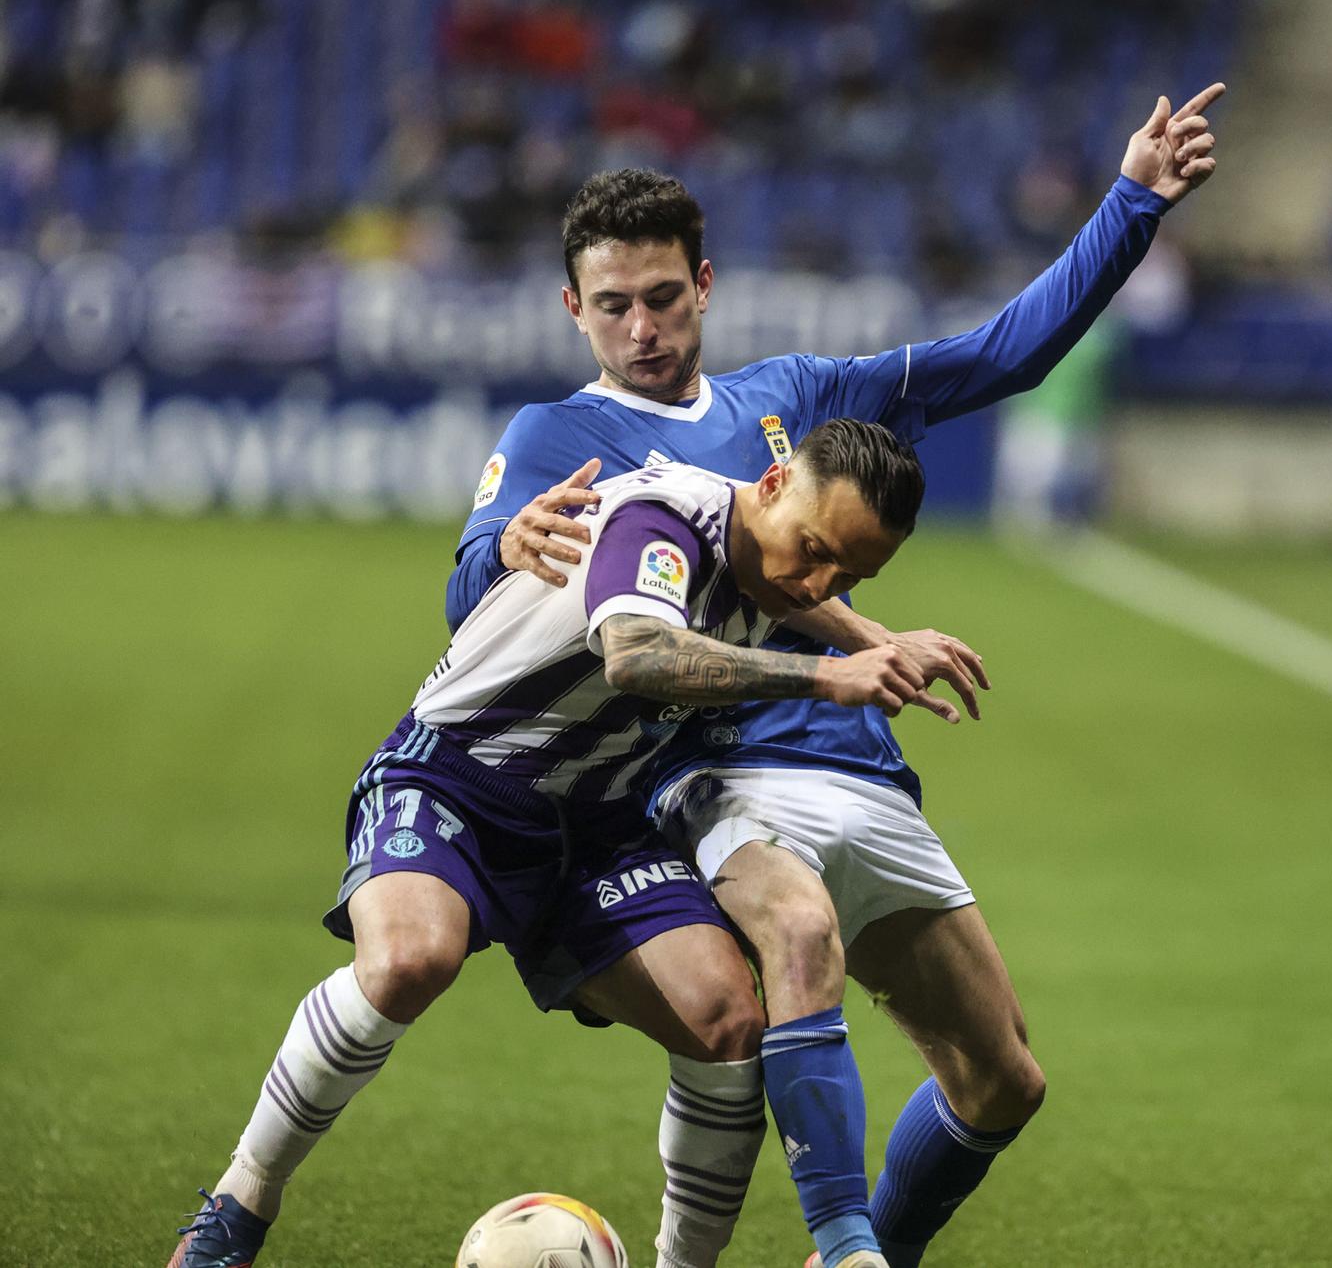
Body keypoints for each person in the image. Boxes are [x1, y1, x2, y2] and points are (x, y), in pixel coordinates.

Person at [459, 82, 1225, 1268]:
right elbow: (471, 600)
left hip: (863, 761)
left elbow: (998, 356)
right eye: (613, 306)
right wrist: (499, 546)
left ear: (702, 286)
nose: (643, 328)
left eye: (663, 297)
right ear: (576, 309)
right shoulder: (561, 436)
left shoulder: (796, 403)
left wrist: (1130, 202)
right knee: (797, 940)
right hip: (720, 769)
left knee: (1001, 1079)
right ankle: (847, 1242)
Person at [169, 421, 963, 1268]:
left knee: (729, 1022)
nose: (816, 581)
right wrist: (827, 673)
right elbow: (636, 653)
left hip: (601, 820)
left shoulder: (776, 560)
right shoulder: (662, 523)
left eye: (850, 571)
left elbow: (805, 586)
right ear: (771, 485)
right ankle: (238, 1205)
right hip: (458, 776)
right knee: (408, 960)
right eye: (813, 550)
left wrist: (877, 638)